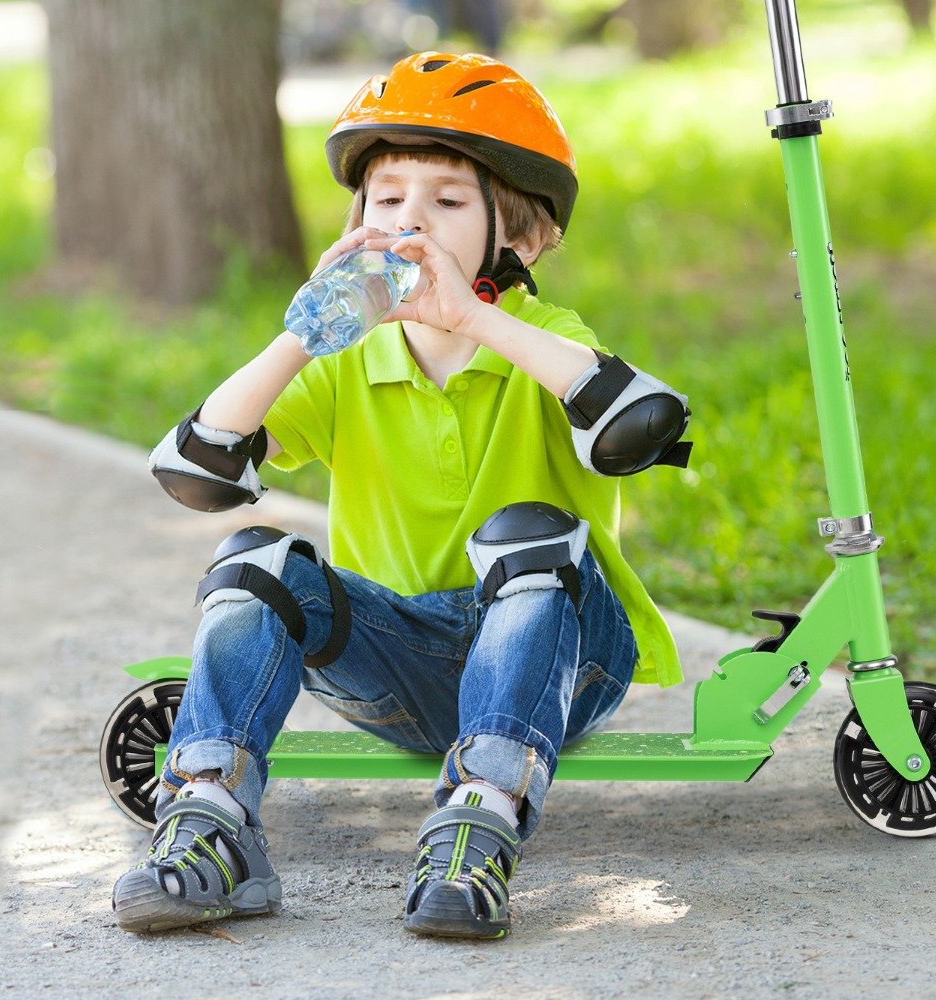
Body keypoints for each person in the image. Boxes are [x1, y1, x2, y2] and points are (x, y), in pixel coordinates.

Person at [115, 51, 692, 940]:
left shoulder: (538, 336)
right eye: (387, 200)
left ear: (523, 239)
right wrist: (303, 333)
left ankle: (477, 829)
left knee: (527, 534)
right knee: (256, 559)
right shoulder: (347, 363)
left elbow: (644, 422)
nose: (408, 223)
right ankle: (208, 820)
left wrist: (473, 319)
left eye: (448, 202)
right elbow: (195, 469)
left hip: (564, 652)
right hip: (402, 667)